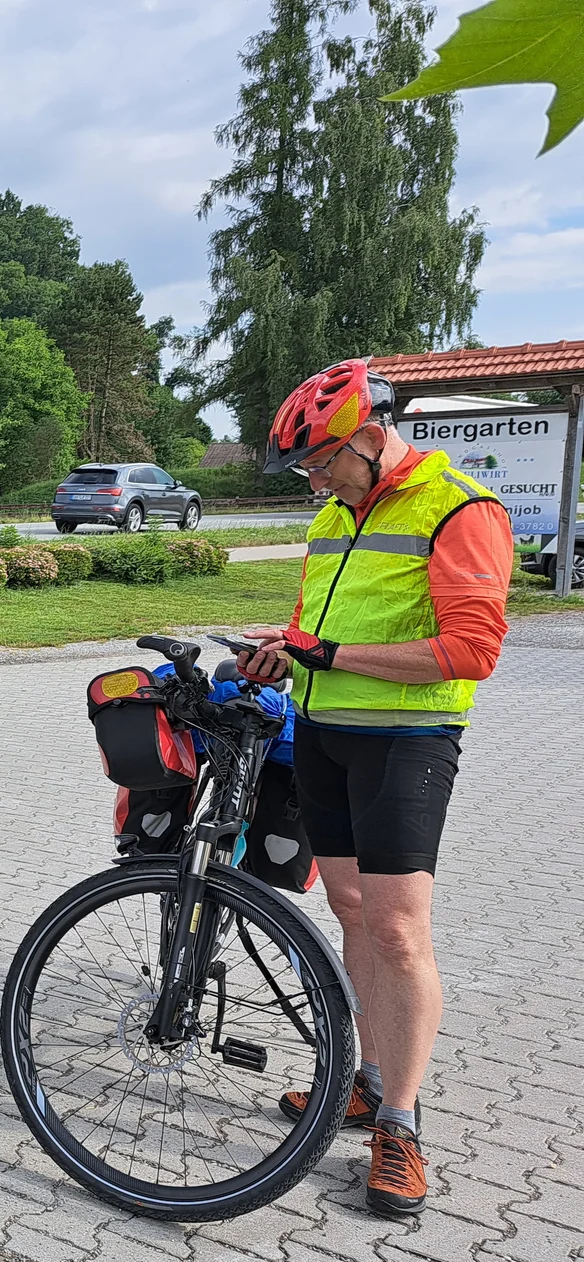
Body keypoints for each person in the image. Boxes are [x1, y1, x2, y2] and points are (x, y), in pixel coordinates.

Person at [239, 357, 512, 1218]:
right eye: (306, 468)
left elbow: (472, 652)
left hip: (407, 740)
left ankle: (402, 1125)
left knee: (397, 929)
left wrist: (331, 657)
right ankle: (364, 1078)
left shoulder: (461, 508)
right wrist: (283, 648)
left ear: (368, 435)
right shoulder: (334, 515)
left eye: (322, 459)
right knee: (350, 908)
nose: (314, 478)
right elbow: (318, 628)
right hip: (320, 734)